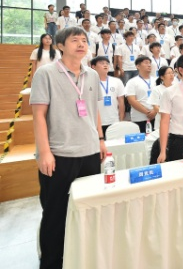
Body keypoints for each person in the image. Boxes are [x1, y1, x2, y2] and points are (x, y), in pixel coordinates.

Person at [30, 27, 106, 269]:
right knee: (55, 215)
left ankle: (82, 259)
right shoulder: (45, 73)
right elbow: (38, 115)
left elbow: (94, 110)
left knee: (88, 210)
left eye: (84, 40)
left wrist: (100, 139)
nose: (81, 44)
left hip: (90, 153)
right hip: (59, 154)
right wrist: (44, 152)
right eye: (75, 40)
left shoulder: (92, 75)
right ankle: (52, 263)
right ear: (61, 46)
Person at [91, 56, 125, 137]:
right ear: (93, 67)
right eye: (102, 63)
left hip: (114, 121)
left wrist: (121, 120)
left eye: (107, 63)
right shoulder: (90, 82)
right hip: (96, 122)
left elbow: (121, 102)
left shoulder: (117, 81)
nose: (105, 65)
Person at [125, 57, 156, 133]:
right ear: (138, 66)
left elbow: (161, 98)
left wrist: (154, 111)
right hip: (139, 118)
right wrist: (147, 112)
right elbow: (131, 100)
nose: (149, 65)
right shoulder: (132, 82)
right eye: (146, 63)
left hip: (156, 117)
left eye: (150, 63)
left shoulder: (156, 80)